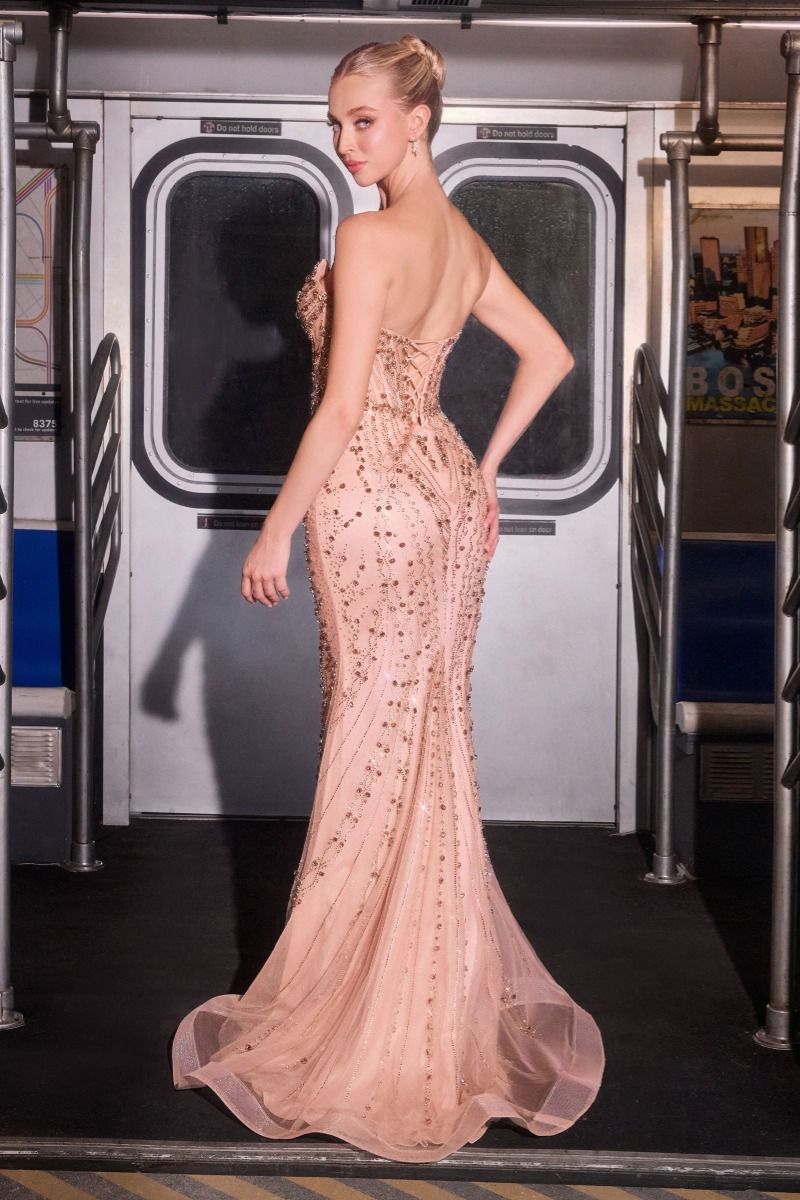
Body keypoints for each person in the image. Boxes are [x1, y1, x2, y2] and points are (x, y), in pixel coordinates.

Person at [171, 33, 605, 1163]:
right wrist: (486, 471)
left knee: (369, 741)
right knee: (427, 742)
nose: (344, 140)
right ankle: (423, 1006)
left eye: (361, 120)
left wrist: (275, 527)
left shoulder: (367, 238)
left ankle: (365, 1022)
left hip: (367, 501)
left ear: (417, 119)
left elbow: (339, 407)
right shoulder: (463, 243)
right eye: (335, 122)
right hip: (445, 501)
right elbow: (551, 355)